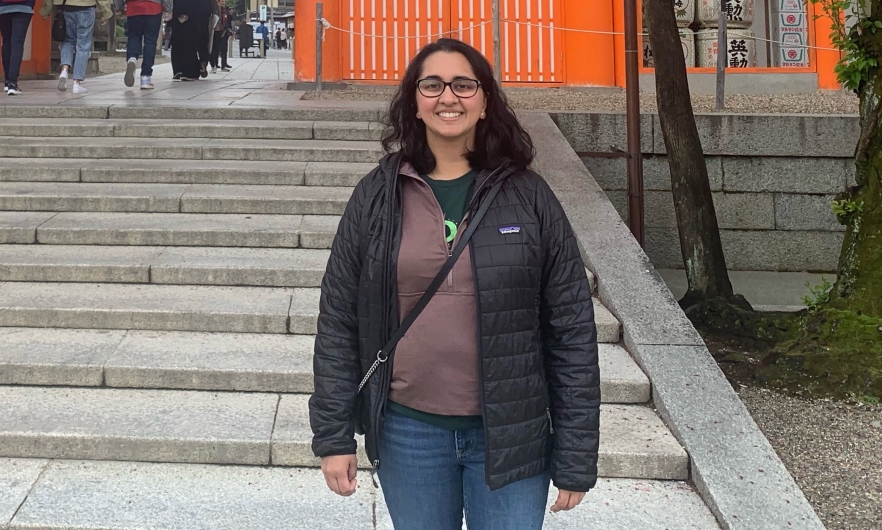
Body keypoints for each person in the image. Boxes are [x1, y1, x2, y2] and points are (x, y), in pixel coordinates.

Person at [308, 38, 599, 530]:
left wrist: (576, 454)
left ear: (485, 101)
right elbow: (339, 319)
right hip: (407, 430)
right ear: (413, 101)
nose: (448, 97)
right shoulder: (377, 195)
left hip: (510, 433)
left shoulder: (528, 196)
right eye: (432, 84)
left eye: (464, 84)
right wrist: (334, 436)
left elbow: (571, 330)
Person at [41, 0, 112, 94]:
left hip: (66, 7)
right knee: (83, 45)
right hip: (86, 7)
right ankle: (76, 83)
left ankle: (64, 70)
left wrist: (46, 9)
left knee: (68, 40)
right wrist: (105, 12)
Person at [114, 0, 172, 89]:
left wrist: (119, 7)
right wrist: (168, 9)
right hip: (154, 6)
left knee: (133, 37)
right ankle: (146, 77)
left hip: (133, 6)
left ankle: (132, 59)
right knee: (150, 41)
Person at [169, 0, 213, 80]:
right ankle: (193, 69)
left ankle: (178, 70)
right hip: (197, 14)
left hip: (179, 11)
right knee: (194, 41)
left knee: (178, 41)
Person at [0, 0, 35, 96]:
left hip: (3, 7)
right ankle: (12, 83)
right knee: (17, 43)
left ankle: (7, 82)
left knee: (6, 41)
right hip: (24, 7)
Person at [208, 0, 231, 72]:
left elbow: (229, 20)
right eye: (221, 1)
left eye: (224, 1)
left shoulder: (225, 10)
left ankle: (223, 65)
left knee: (224, 49)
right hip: (216, 31)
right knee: (215, 49)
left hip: (224, 31)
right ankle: (214, 64)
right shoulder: (215, 10)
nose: (223, 2)